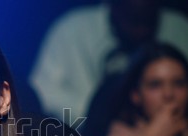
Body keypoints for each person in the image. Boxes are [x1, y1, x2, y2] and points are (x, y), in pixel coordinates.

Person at [28, 0, 188, 121]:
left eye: (179, 83)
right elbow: (43, 93)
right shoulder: (71, 31)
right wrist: (100, 117)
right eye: (133, 19)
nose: (168, 94)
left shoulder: (180, 29)